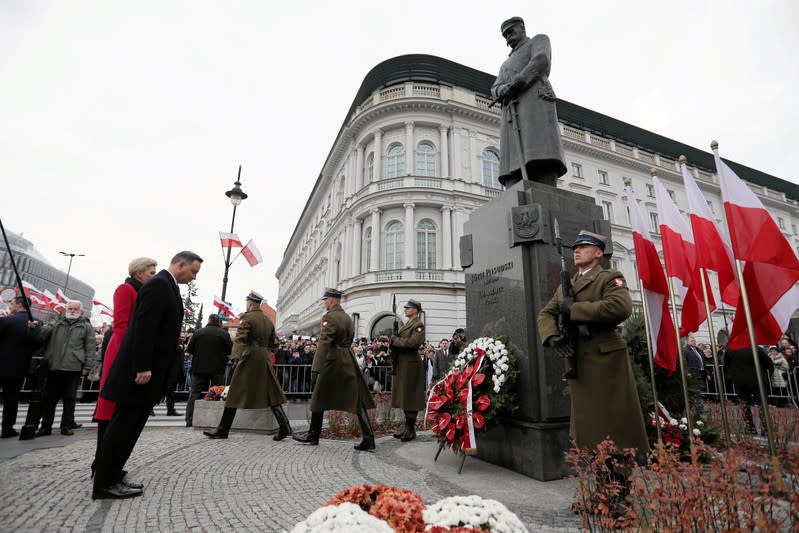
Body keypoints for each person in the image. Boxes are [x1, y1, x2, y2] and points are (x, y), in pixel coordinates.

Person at [92, 251, 202, 500]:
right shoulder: (159, 285)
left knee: (130, 426)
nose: (194, 277)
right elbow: (144, 327)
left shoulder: (166, 285)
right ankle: (104, 482)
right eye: (193, 271)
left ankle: (114, 474)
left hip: (148, 371)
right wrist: (142, 365)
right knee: (123, 426)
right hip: (140, 372)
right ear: (180, 264)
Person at [538, 230, 648, 462]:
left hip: (605, 360)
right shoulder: (566, 286)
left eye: (584, 247)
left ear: (598, 253)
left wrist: (574, 309)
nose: (577, 251)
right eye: (575, 248)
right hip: (578, 360)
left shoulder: (609, 277)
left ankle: (619, 487)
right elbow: (546, 313)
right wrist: (553, 337)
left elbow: (620, 307)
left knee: (613, 424)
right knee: (589, 427)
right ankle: (600, 486)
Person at [92, 257, 157, 469]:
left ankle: (109, 463)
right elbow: (121, 326)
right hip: (121, 352)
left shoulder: (141, 292)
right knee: (110, 407)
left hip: (129, 351)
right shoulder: (125, 289)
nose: (153, 277)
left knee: (120, 410)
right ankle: (101, 463)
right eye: (151, 273)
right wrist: (130, 359)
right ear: (139, 273)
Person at [293, 288, 375, 450]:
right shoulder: (347, 317)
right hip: (347, 358)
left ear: (330, 300)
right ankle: (368, 437)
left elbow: (324, 343)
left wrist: (316, 368)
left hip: (332, 360)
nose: (324, 303)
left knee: (318, 397)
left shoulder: (329, 317)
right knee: (356, 399)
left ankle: (313, 435)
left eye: (325, 300)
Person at [204, 291, 292, 441]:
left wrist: (235, 357)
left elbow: (240, 339)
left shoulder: (247, 317)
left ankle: (223, 430)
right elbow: (272, 342)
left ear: (250, 304)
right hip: (264, 357)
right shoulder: (267, 320)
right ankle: (284, 426)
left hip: (250, 357)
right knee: (271, 393)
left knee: (234, 392)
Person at [491, 16, 567, 188]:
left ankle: (545, 183)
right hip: (512, 112)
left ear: (522, 28)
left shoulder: (538, 40)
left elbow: (541, 60)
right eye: (505, 35)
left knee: (540, 149)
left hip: (534, 102)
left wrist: (518, 82)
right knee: (515, 159)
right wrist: (501, 90)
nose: (508, 37)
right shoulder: (505, 64)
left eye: (511, 32)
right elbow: (495, 86)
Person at [30, 299, 94, 436]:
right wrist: (34, 328)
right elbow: (41, 336)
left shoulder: (86, 326)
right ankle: (45, 427)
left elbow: (90, 347)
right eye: (70, 308)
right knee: (49, 398)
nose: (72, 311)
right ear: (66, 309)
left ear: (81, 312)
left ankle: (66, 426)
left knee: (69, 398)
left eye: (75, 309)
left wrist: (87, 366)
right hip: (54, 365)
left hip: (74, 366)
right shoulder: (56, 322)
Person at [0, 296, 39, 438]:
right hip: (18, 367)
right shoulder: (36, 323)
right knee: (11, 400)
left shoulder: (5, 320)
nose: (10, 305)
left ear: (20, 305)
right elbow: (38, 345)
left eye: (12, 303)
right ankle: (7, 428)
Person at [184, 314, 232, 427]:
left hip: (199, 367)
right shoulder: (224, 334)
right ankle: (216, 420)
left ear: (208, 320)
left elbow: (189, 349)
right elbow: (229, 351)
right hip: (217, 368)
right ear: (218, 322)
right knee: (218, 392)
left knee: (194, 394)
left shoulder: (198, 332)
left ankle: (189, 420)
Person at [390, 299, 427, 442]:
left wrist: (396, 340)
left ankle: (410, 429)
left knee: (410, 396)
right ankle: (407, 427)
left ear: (415, 310)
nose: (405, 309)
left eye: (408, 308)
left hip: (411, 364)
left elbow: (413, 343)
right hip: (403, 364)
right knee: (405, 396)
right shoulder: (408, 324)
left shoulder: (418, 325)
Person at [724, 346, 773, 434]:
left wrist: (731, 378)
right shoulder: (756, 348)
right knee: (761, 404)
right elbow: (769, 363)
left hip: (740, 381)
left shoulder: (730, 349)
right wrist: (767, 373)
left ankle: (749, 427)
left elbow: (726, 365)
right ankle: (765, 427)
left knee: (744, 404)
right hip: (757, 379)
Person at [683, 335, 706, 413]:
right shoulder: (685, 350)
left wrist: (707, 373)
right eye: (692, 340)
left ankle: (695, 407)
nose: (694, 342)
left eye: (694, 340)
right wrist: (688, 372)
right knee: (696, 391)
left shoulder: (698, 350)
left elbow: (703, 360)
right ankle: (699, 408)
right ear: (688, 342)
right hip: (692, 373)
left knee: (698, 391)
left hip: (700, 372)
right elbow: (685, 362)